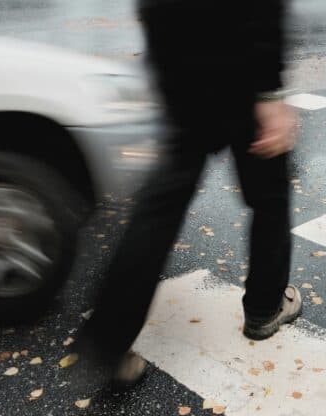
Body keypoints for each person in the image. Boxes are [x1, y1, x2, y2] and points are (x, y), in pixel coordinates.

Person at [71, 0, 302, 390]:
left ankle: (107, 341)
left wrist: (164, 67)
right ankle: (264, 309)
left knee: (160, 207)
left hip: (178, 63)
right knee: (270, 197)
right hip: (239, 67)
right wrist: (268, 93)